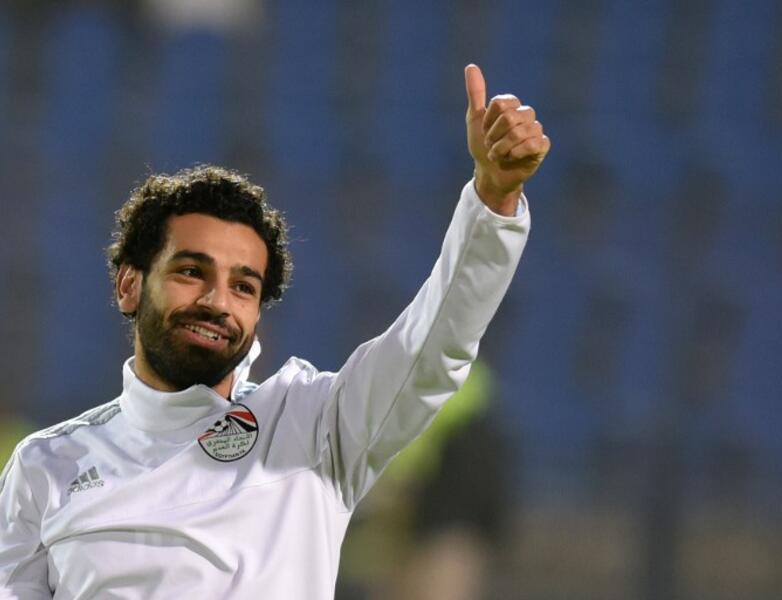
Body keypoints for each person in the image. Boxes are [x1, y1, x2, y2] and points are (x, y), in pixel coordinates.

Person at [0, 64, 549, 599]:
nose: (217, 301)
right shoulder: (45, 466)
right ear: (129, 286)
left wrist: (493, 200)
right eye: (192, 272)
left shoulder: (313, 427)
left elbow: (434, 344)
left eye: (244, 287)